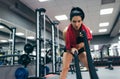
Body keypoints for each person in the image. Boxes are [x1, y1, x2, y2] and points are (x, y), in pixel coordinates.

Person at [59, 7, 92, 79]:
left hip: (80, 50)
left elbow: (87, 46)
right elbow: (67, 46)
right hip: (69, 49)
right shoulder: (66, 31)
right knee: (65, 68)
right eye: (74, 21)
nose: (76, 24)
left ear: (82, 21)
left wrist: (82, 46)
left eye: (79, 21)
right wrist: (72, 49)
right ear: (70, 21)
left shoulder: (86, 30)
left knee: (90, 66)